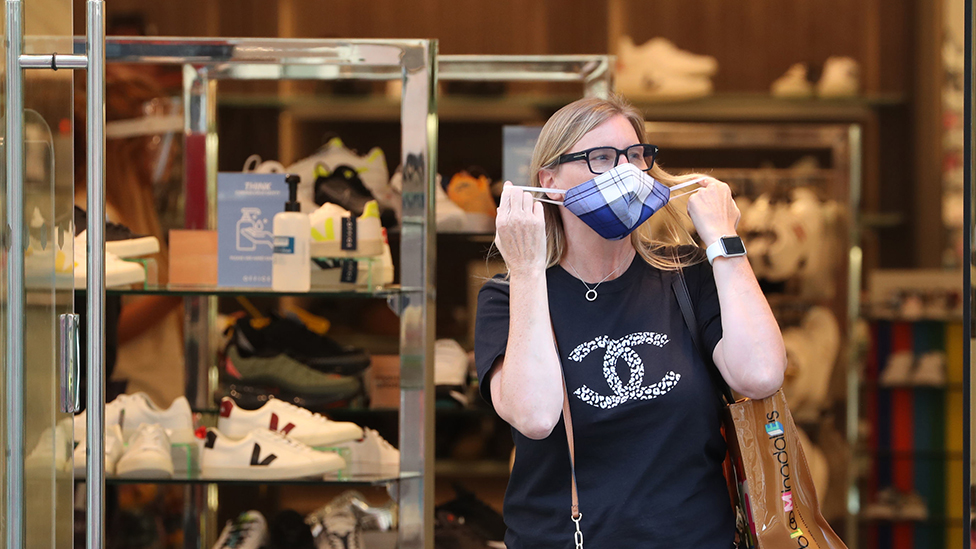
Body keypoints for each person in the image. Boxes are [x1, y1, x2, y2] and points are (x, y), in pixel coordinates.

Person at [474, 95, 787, 548]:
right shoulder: (509, 296)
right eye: (601, 158)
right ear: (550, 180)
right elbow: (536, 416)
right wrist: (525, 268)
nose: (626, 172)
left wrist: (724, 240)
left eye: (635, 156)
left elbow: (760, 374)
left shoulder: (687, 276)